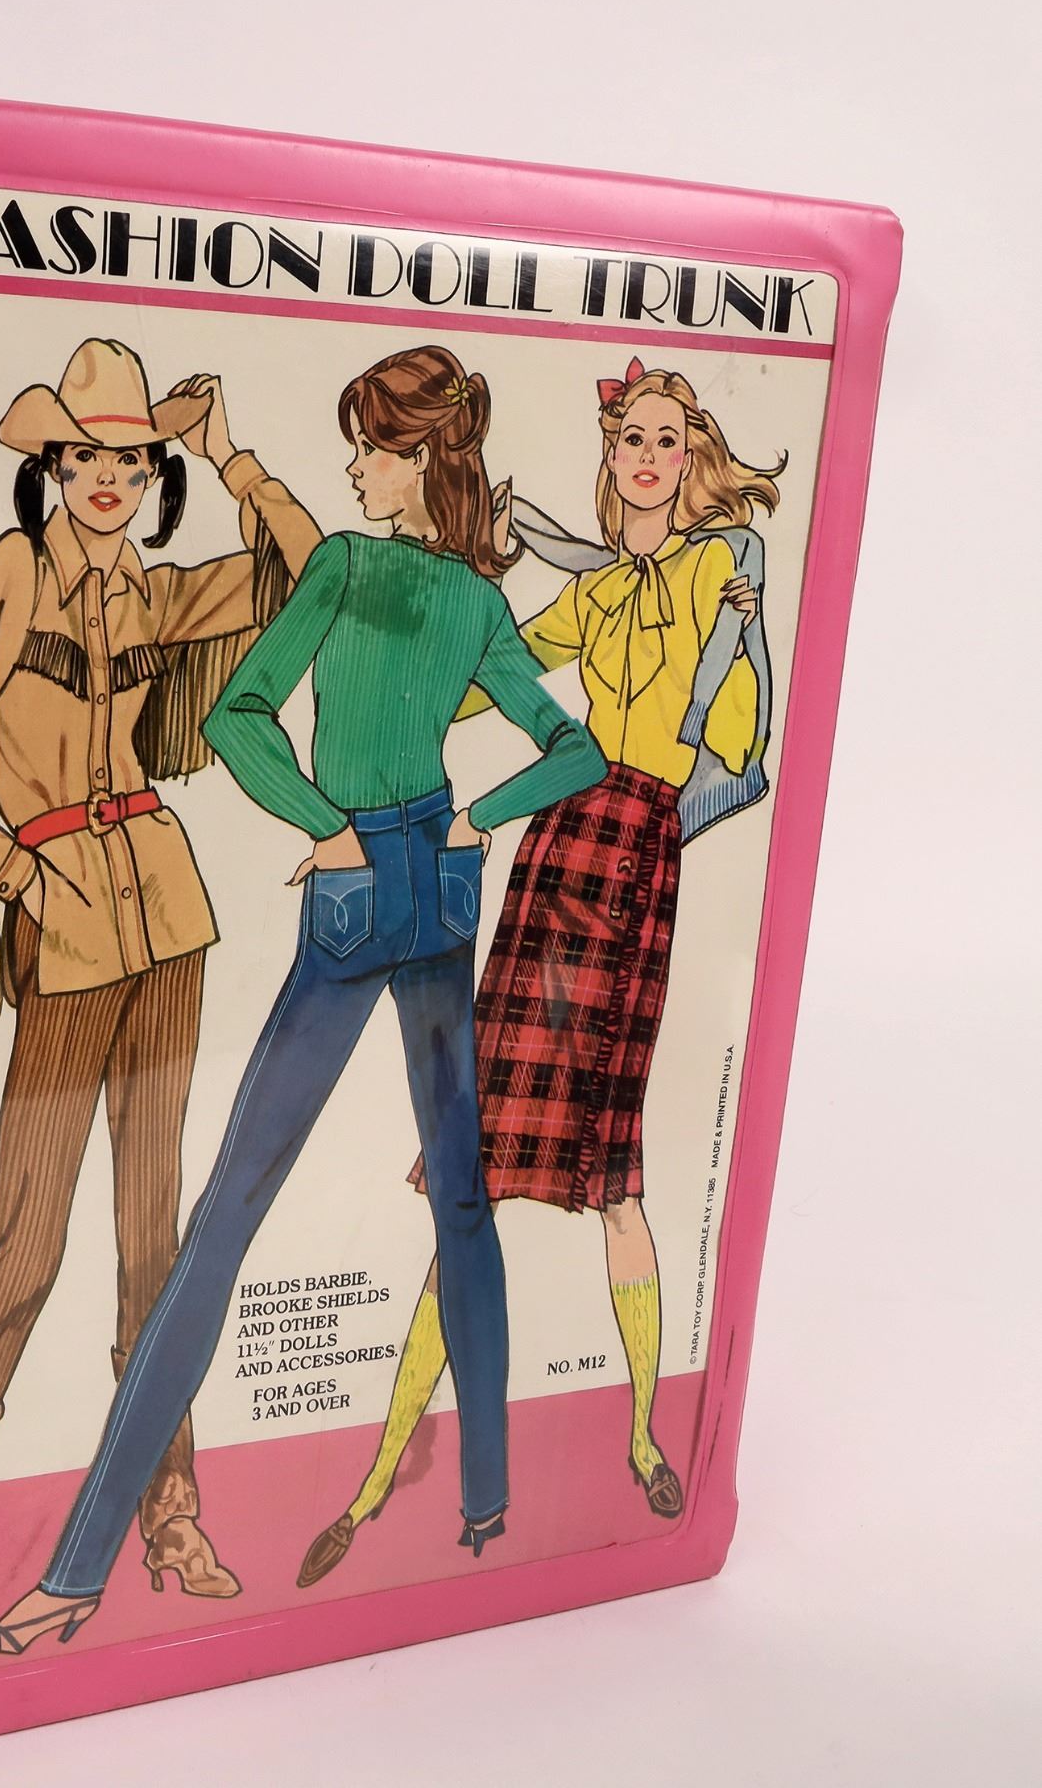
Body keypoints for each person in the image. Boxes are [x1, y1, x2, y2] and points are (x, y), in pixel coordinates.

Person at [0, 344, 606, 1655]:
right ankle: (486, 1509)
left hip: (373, 884)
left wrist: (334, 825)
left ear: (419, 457)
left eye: (368, 445)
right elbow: (569, 747)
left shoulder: (362, 571)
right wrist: (459, 816)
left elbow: (242, 719)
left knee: (231, 1221)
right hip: (423, 882)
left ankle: (74, 1576)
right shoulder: (446, 592)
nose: (353, 466)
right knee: (451, 1201)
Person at [0, 338, 324, 1645]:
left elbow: (310, 577)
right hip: (63, 935)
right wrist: (15, 870)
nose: (109, 476)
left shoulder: (155, 589)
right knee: (25, 1247)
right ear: (52, 469)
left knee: (152, 1242)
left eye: (132, 456)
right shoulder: (15, 574)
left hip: (168, 923)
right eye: (84, 455)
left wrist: (230, 455)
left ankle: (167, 1517)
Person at [298, 357, 784, 1588]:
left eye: (666, 439)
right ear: (608, 453)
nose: (645, 457)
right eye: (629, 437)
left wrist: (734, 643)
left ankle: (642, 1439)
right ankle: (375, 1473)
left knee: (612, 1168)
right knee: (477, 1165)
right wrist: (401, 669)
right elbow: (491, 674)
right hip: (556, 844)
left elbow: (746, 749)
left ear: (693, 458)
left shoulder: (718, 571)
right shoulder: (594, 588)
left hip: (636, 855)